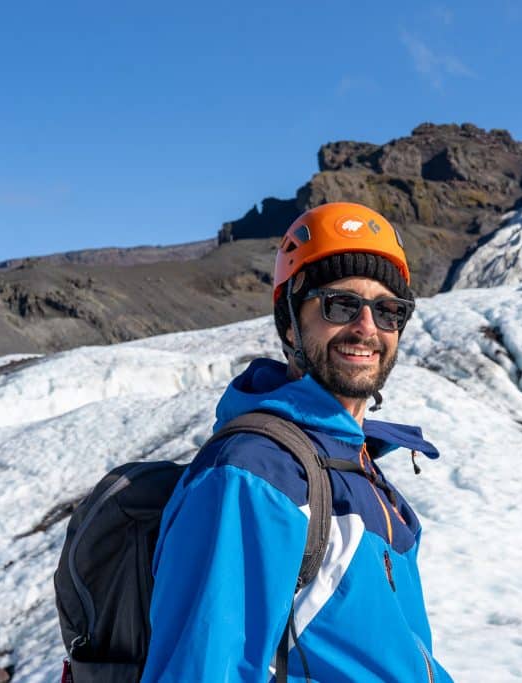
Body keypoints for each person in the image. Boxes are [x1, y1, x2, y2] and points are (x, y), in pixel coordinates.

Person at [141, 202, 453, 682]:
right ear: (289, 322)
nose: (368, 327)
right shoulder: (252, 475)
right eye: (340, 304)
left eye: (388, 310)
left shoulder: (353, 461)